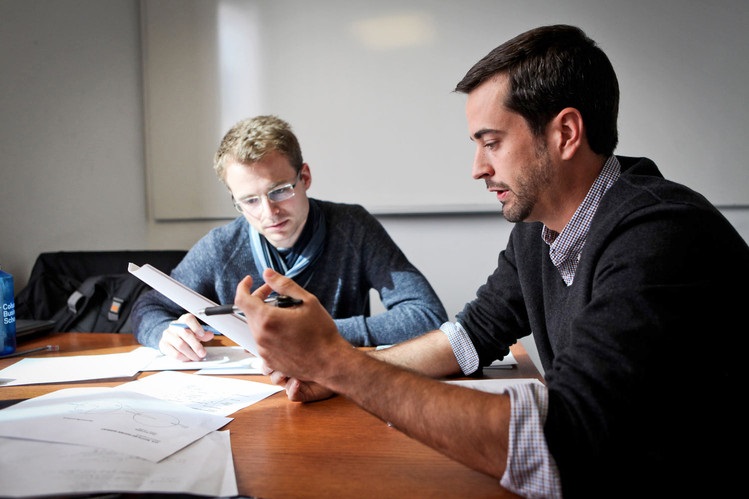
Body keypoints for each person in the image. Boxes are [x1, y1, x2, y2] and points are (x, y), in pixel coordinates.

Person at [233, 25, 747, 498]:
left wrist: (336, 362)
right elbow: (469, 336)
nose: (477, 168)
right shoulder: (539, 230)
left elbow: (563, 441)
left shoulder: (660, 236)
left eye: (492, 143)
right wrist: (340, 375)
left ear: (565, 133)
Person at [131, 115, 447, 361]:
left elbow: (427, 315)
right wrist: (164, 333)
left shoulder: (353, 228)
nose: (269, 213)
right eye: (250, 200)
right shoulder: (220, 247)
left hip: (339, 383)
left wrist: (320, 332)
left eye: (280, 191)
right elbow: (148, 307)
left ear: (304, 177)